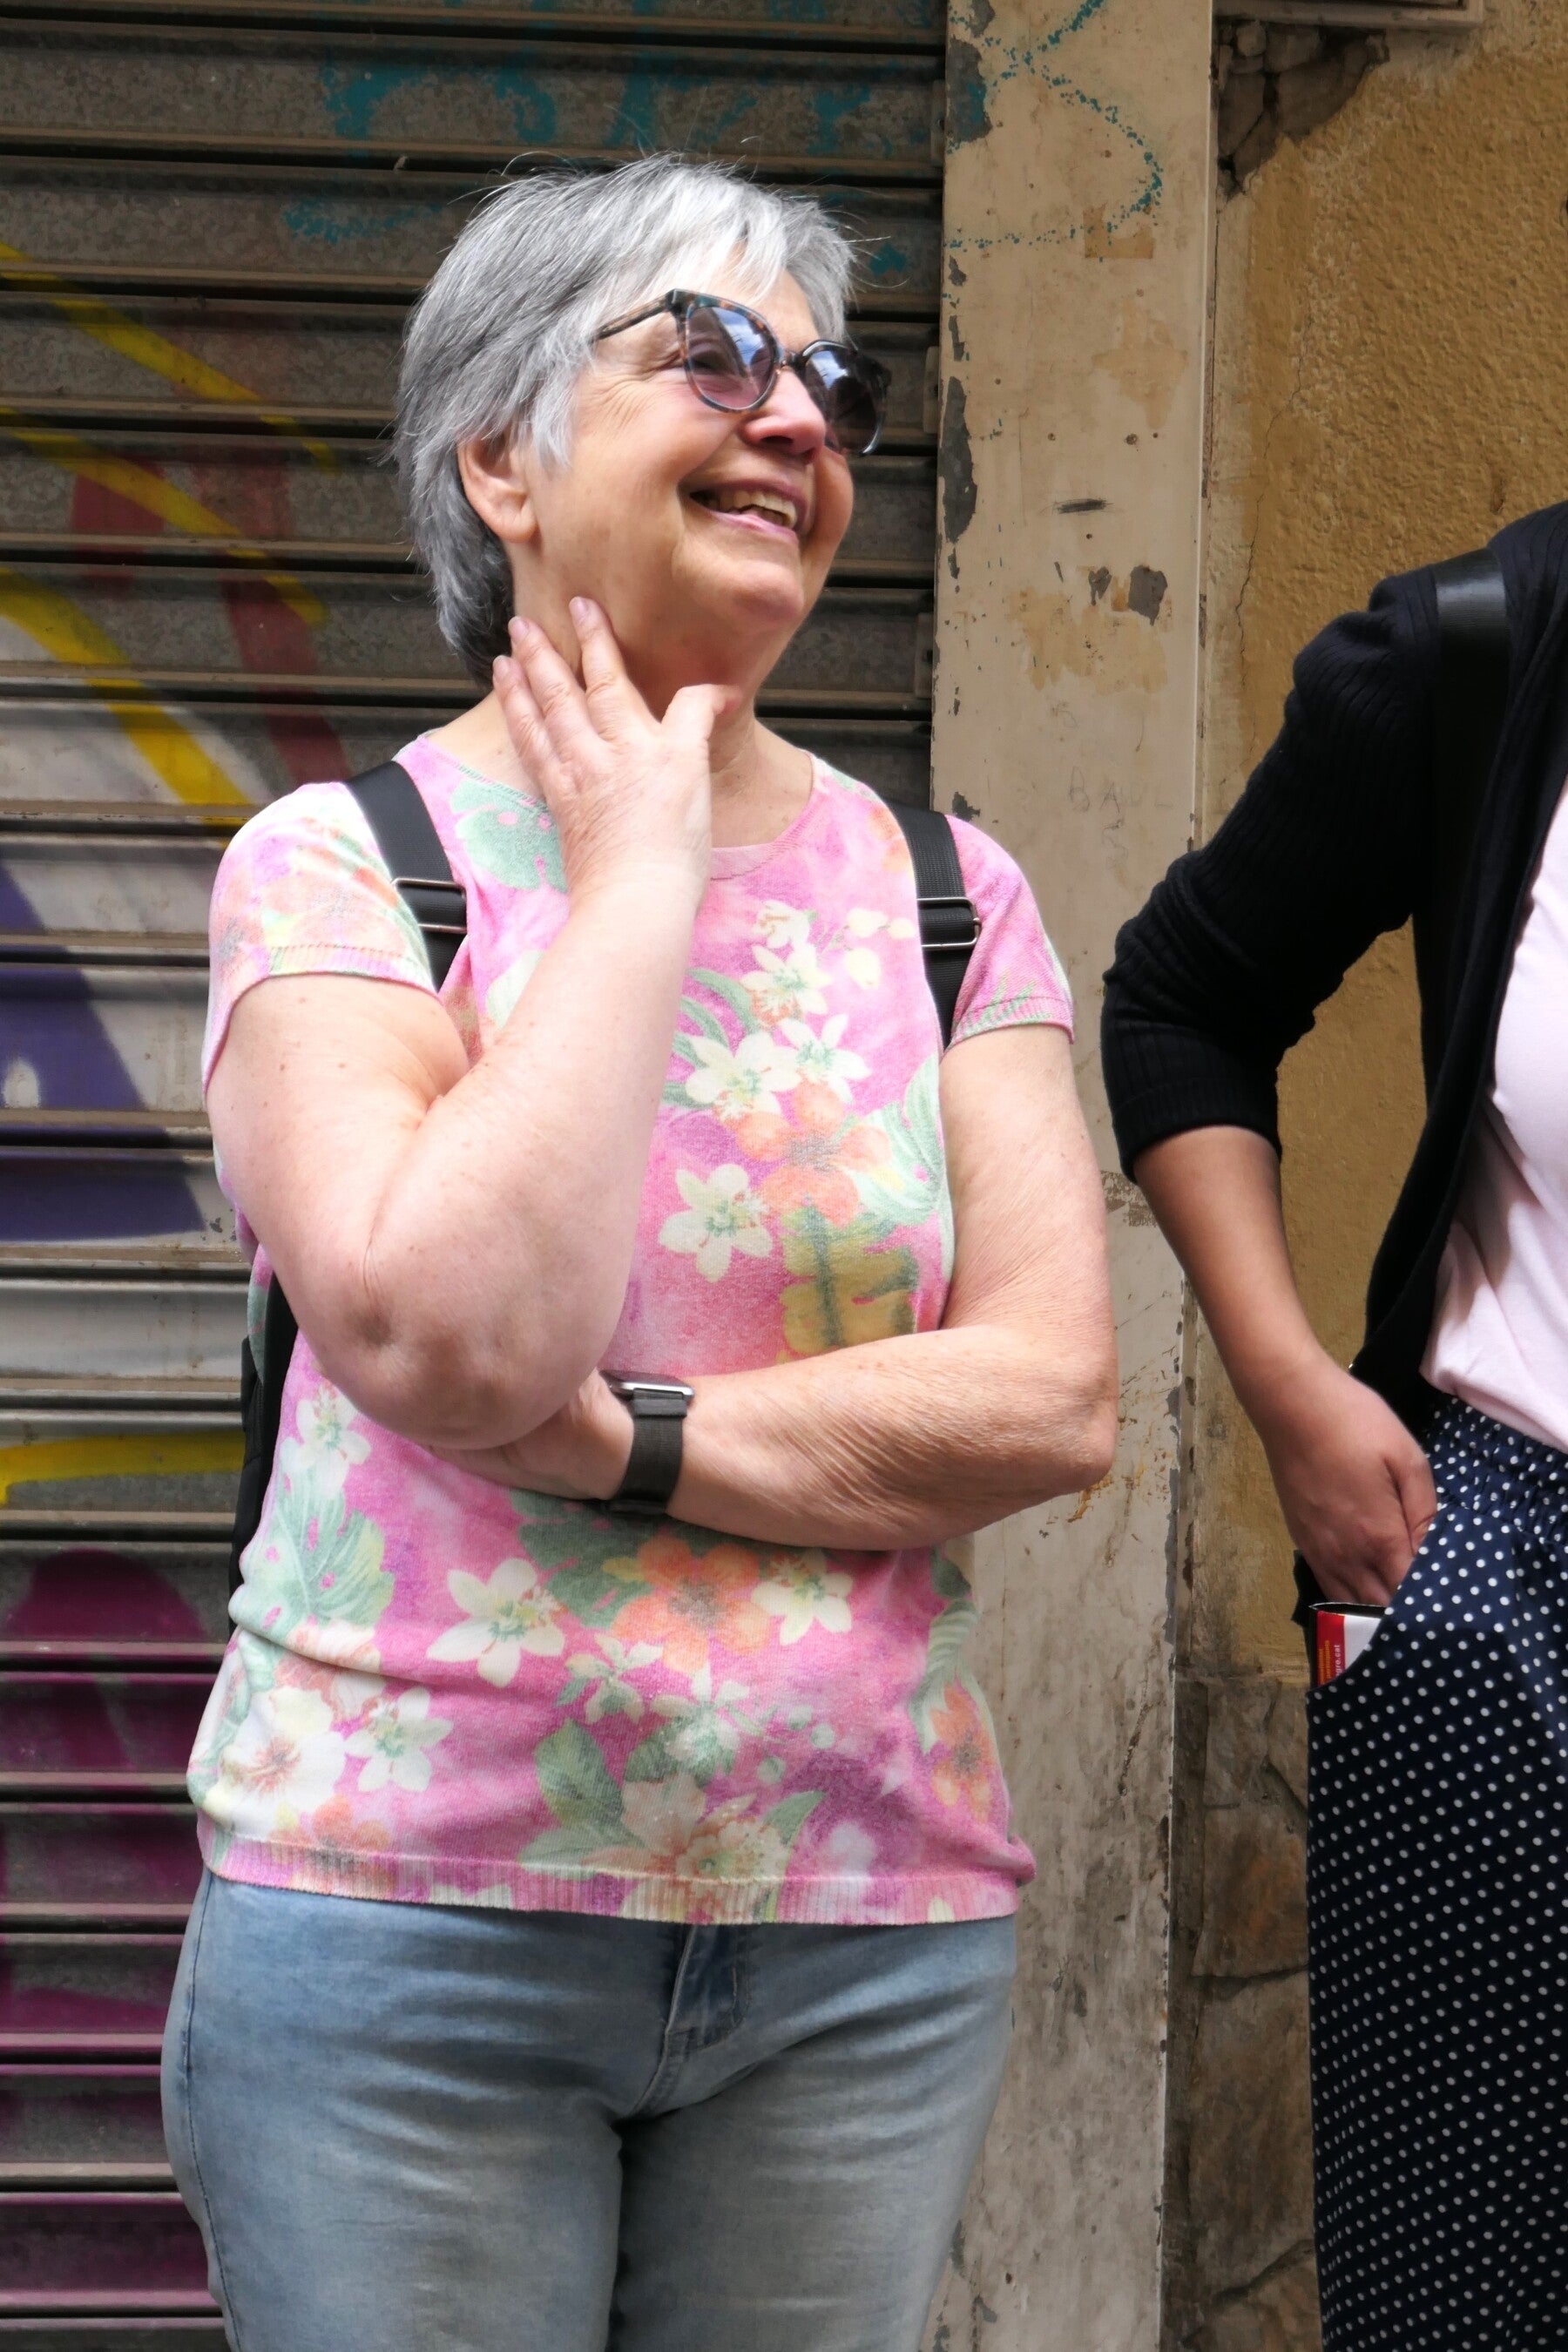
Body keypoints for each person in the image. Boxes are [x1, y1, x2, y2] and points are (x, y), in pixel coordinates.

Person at [160, 153, 1118, 2352]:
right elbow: (453, 1337)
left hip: (861, 1939)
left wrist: (622, 1446)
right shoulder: (342, 869)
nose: (798, 419)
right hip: (408, 1922)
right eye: (714, 355)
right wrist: (638, 877)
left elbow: (1049, 1395)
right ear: (498, 464)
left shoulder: (948, 896)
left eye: (836, 386)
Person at [1102, 501, 1568, 2351]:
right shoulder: (1482, 643)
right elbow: (1184, 1001)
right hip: (1489, 1593)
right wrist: (1293, 1389)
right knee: (1455, 2296)